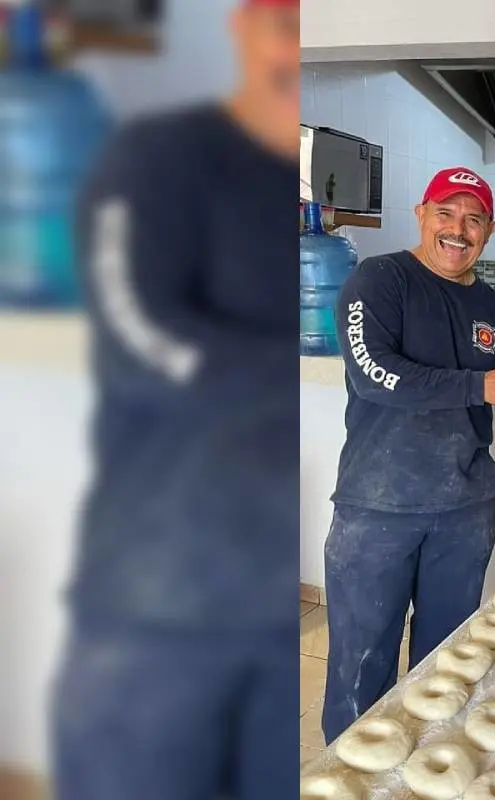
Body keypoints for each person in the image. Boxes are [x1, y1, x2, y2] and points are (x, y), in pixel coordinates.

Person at [54, 1, 300, 798]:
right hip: (158, 601)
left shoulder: (295, 201)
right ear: (242, 28)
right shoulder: (155, 160)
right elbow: (139, 343)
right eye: (286, 24)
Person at [322, 166, 495, 742]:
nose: (457, 230)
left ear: (489, 230)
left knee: (446, 665)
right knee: (361, 665)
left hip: (464, 510)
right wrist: (478, 386)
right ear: (422, 214)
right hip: (378, 506)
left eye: (473, 219)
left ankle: (425, 771)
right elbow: (374, 374)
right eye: (446, 213)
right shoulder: (379, 279)